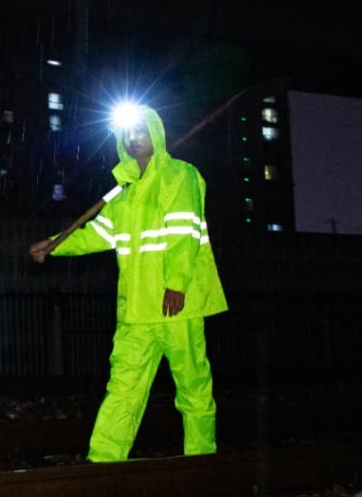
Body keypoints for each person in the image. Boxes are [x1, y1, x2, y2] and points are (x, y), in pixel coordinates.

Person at [29, 104, 227, 461]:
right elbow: (98, 234)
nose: (135, 139)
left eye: (141, 131)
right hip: (135, 310)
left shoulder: (180, 176)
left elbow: (185, 234)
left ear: (156, 132)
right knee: (123, 388)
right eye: (128, 134)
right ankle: (103, 463)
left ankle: (201, 461)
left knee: (193, 386)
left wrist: (177, 285)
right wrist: (55, 245)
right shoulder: (123, 193)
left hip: (176, 307)